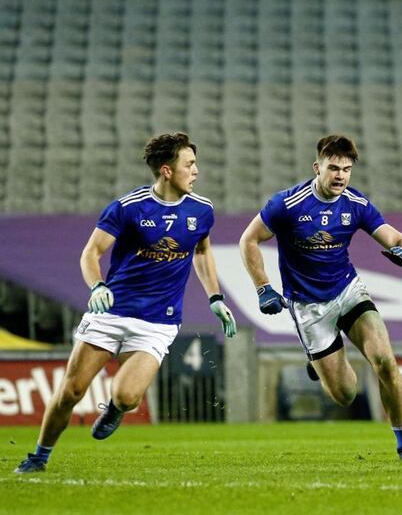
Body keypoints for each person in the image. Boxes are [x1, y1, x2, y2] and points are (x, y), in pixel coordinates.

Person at [14, 132, 237, 473]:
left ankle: (115, 409)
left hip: (158, 322)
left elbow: (202, 251)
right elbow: (91, 252)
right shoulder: (128, 208)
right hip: (112, 313)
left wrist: (216, 297)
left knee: (128, 397)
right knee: (72, 392)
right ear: (166, 170)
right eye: (189, 164)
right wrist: (97, 286)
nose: (196, 171)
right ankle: (39, 456)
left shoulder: (202, 210)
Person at [239, 134, 402, 461]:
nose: (341, 175)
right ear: (317, 167)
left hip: (348, 291)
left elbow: (395, 237)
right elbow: (248, 240)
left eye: (347, 169)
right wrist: (263, 287)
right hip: (309, 305)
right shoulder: (287, 204)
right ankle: (317, 363)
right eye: (334, 168)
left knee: (385, 360)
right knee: (345, 394)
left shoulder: (356, 204)